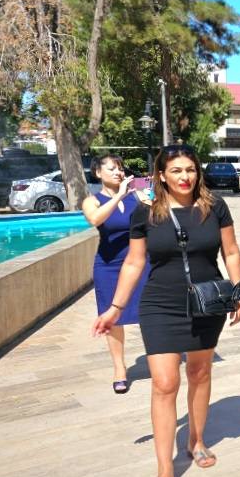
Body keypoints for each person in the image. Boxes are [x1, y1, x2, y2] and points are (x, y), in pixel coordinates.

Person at [92, 145, 240, 477]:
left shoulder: (214, 207)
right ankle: (165, 471)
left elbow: (231, 251)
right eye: (176, 170)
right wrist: (115, 308)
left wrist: (237, 291)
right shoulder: (146, 213)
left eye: (190, 169)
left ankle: (196, 440)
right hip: (160, 303)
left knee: (199, 372)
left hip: (207, 300)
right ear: (161, 175)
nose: (184, 177)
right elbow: (134, 262)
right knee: (164, 383)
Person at [82, 155, 150, 394]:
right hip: (108, 265)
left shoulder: (136, 197)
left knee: (149, 310)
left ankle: (157, 358)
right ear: (98, 173)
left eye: (120, 169)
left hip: (141, 262)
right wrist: (119, 196)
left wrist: (148, 196)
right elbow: (95, 219)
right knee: (112, 318)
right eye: (111, 168)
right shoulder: (92, 201)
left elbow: (155, 215)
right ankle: (119, 368)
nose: (118, 172)